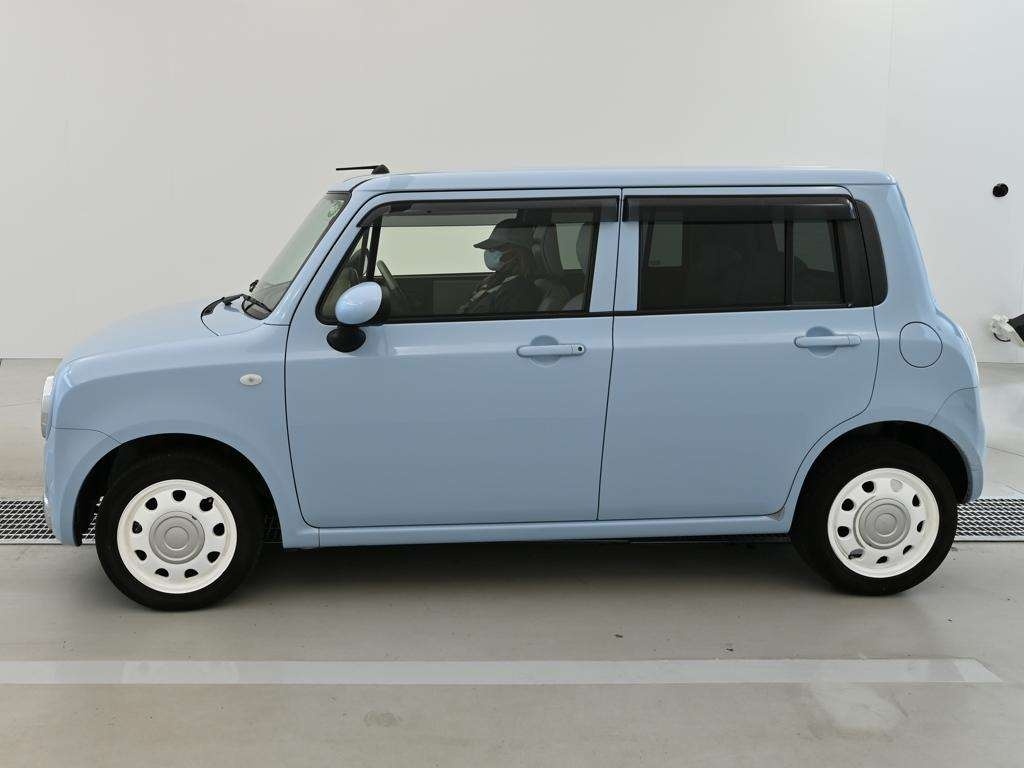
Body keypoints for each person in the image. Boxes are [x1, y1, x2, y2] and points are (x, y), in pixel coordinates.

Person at [458, 218, 541, 314]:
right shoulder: (494, 280)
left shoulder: (521, 292)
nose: (489, 252)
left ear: (518, 252)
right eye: (489, 248)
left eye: (496, 248)